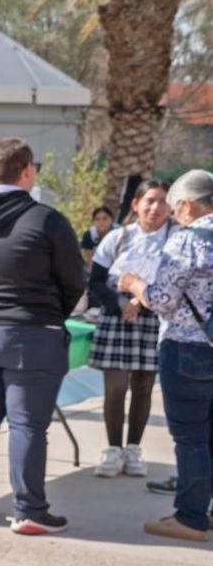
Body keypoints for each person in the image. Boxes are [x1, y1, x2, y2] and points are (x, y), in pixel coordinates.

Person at [0, 138, 85, 535]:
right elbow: (74, 280)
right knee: (26, 424)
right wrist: (50, 315)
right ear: (27, 170)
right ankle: (28, 510)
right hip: (29, 332)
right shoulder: (46, 221)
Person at [118, 169, 213, 543]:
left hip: (187, 349)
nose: (173, 215)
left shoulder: (186, 242)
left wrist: (133, 283)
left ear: (188, 205)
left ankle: (190, 517)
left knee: (191, 437)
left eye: (175, 208)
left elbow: (161, 299)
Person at [87, 180, 173, 478]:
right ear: (135, 204)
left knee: (143, 387)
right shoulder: (117, 238)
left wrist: (143, 300)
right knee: (116, 386)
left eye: (163, 201)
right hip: (117, 318)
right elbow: (95, 282)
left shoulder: (176, 239)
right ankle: (113, 448)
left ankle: (134, 448)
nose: (156, 207)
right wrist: (119, 302)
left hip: (154, 320)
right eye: (149, 200)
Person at [81, 206, 116, 312]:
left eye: (105, 218)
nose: (101, 222)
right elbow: (90, 261)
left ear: (111, 219)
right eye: (98, 219)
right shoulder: (90, 235)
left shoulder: (120, 233)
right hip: (98, 271)